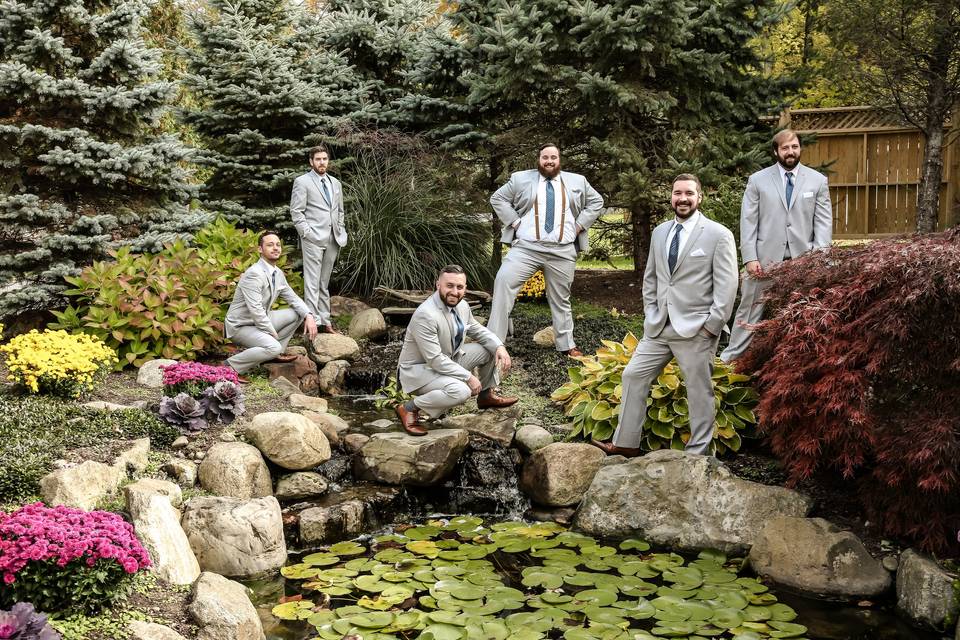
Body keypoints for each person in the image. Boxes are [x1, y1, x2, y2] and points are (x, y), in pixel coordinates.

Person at [593, 175, 738, 457]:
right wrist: (651, 313)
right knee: (633, 375)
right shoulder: (660, 232)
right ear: (670, 197)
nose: (682, 199)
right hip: (659, 328)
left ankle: (698, 454)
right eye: (677, 193)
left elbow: (728, 284)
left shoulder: (718, 235)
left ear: (700, 197)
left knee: (698, 392)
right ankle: (626, 444)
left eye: (689, 193)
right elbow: (652, 279)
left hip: (697, 329)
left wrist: (712, 326)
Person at [720, 129, 832, 363]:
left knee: (804, 314)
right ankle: (730, 361)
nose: (790, 152)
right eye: (785, 148)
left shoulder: (817, 181)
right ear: (776, 151)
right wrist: (750, 258)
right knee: (749, 311)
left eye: (794, 147)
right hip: (764, 261)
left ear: (800, 148)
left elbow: (823, 224)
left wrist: (818, 260)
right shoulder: (757, 181)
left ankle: (802, 362)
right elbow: (748, 221)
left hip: (803, 263)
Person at [488, 143, 604, 358]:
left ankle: (566, 345)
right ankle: (494, 343)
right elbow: (498, 198)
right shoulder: (520, 178)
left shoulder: (577, 181)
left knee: (561, 298)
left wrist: (579, 225)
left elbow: (597, 201)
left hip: (562, 251)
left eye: (553, 157)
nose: (549, 161)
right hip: (526, 248)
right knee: (503, 282)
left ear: (559, 160)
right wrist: (514, 222)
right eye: (545, 157)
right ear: (539, 159)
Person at [395, 265, 518, 436]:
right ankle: (409, 408)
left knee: (489, 348)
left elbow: (478, 330)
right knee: (461, 391)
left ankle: (485, 396)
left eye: (459, 287)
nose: (454, 291)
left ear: (465, 288)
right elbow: (435, 360)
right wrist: (468, 377)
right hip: (421, 371)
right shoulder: (425, 314)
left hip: (448, 360)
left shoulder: (463, 306)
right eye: (449, 285)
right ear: (438, 285)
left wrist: (499, 346)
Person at [224, 231, 318, 375]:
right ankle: (229, 368)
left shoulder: (277, 273)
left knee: (298, 313)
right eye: (270, 245)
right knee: (274, 346)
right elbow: (256, 310)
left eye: (278, 245)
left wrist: (309, 315)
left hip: (260, 321)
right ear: (260, 249)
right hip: (241, 326)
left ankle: (273, 353)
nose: (275, 248)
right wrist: (271, 332)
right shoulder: (254, 274)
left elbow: (292, 298)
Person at [290, 144, 347, 333]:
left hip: (333, 239)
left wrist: (341, 229)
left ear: (328, 160)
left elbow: (339, 211)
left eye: (324, 159)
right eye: (318, 159)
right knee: (312, 283)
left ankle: (325, 320)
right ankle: (312, 322)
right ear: (311, 161)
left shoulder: (335, 183)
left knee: (324, 282)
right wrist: (308, 234)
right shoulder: (302, 181)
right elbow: (296, 212)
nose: (322, 162)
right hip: (313, 239)